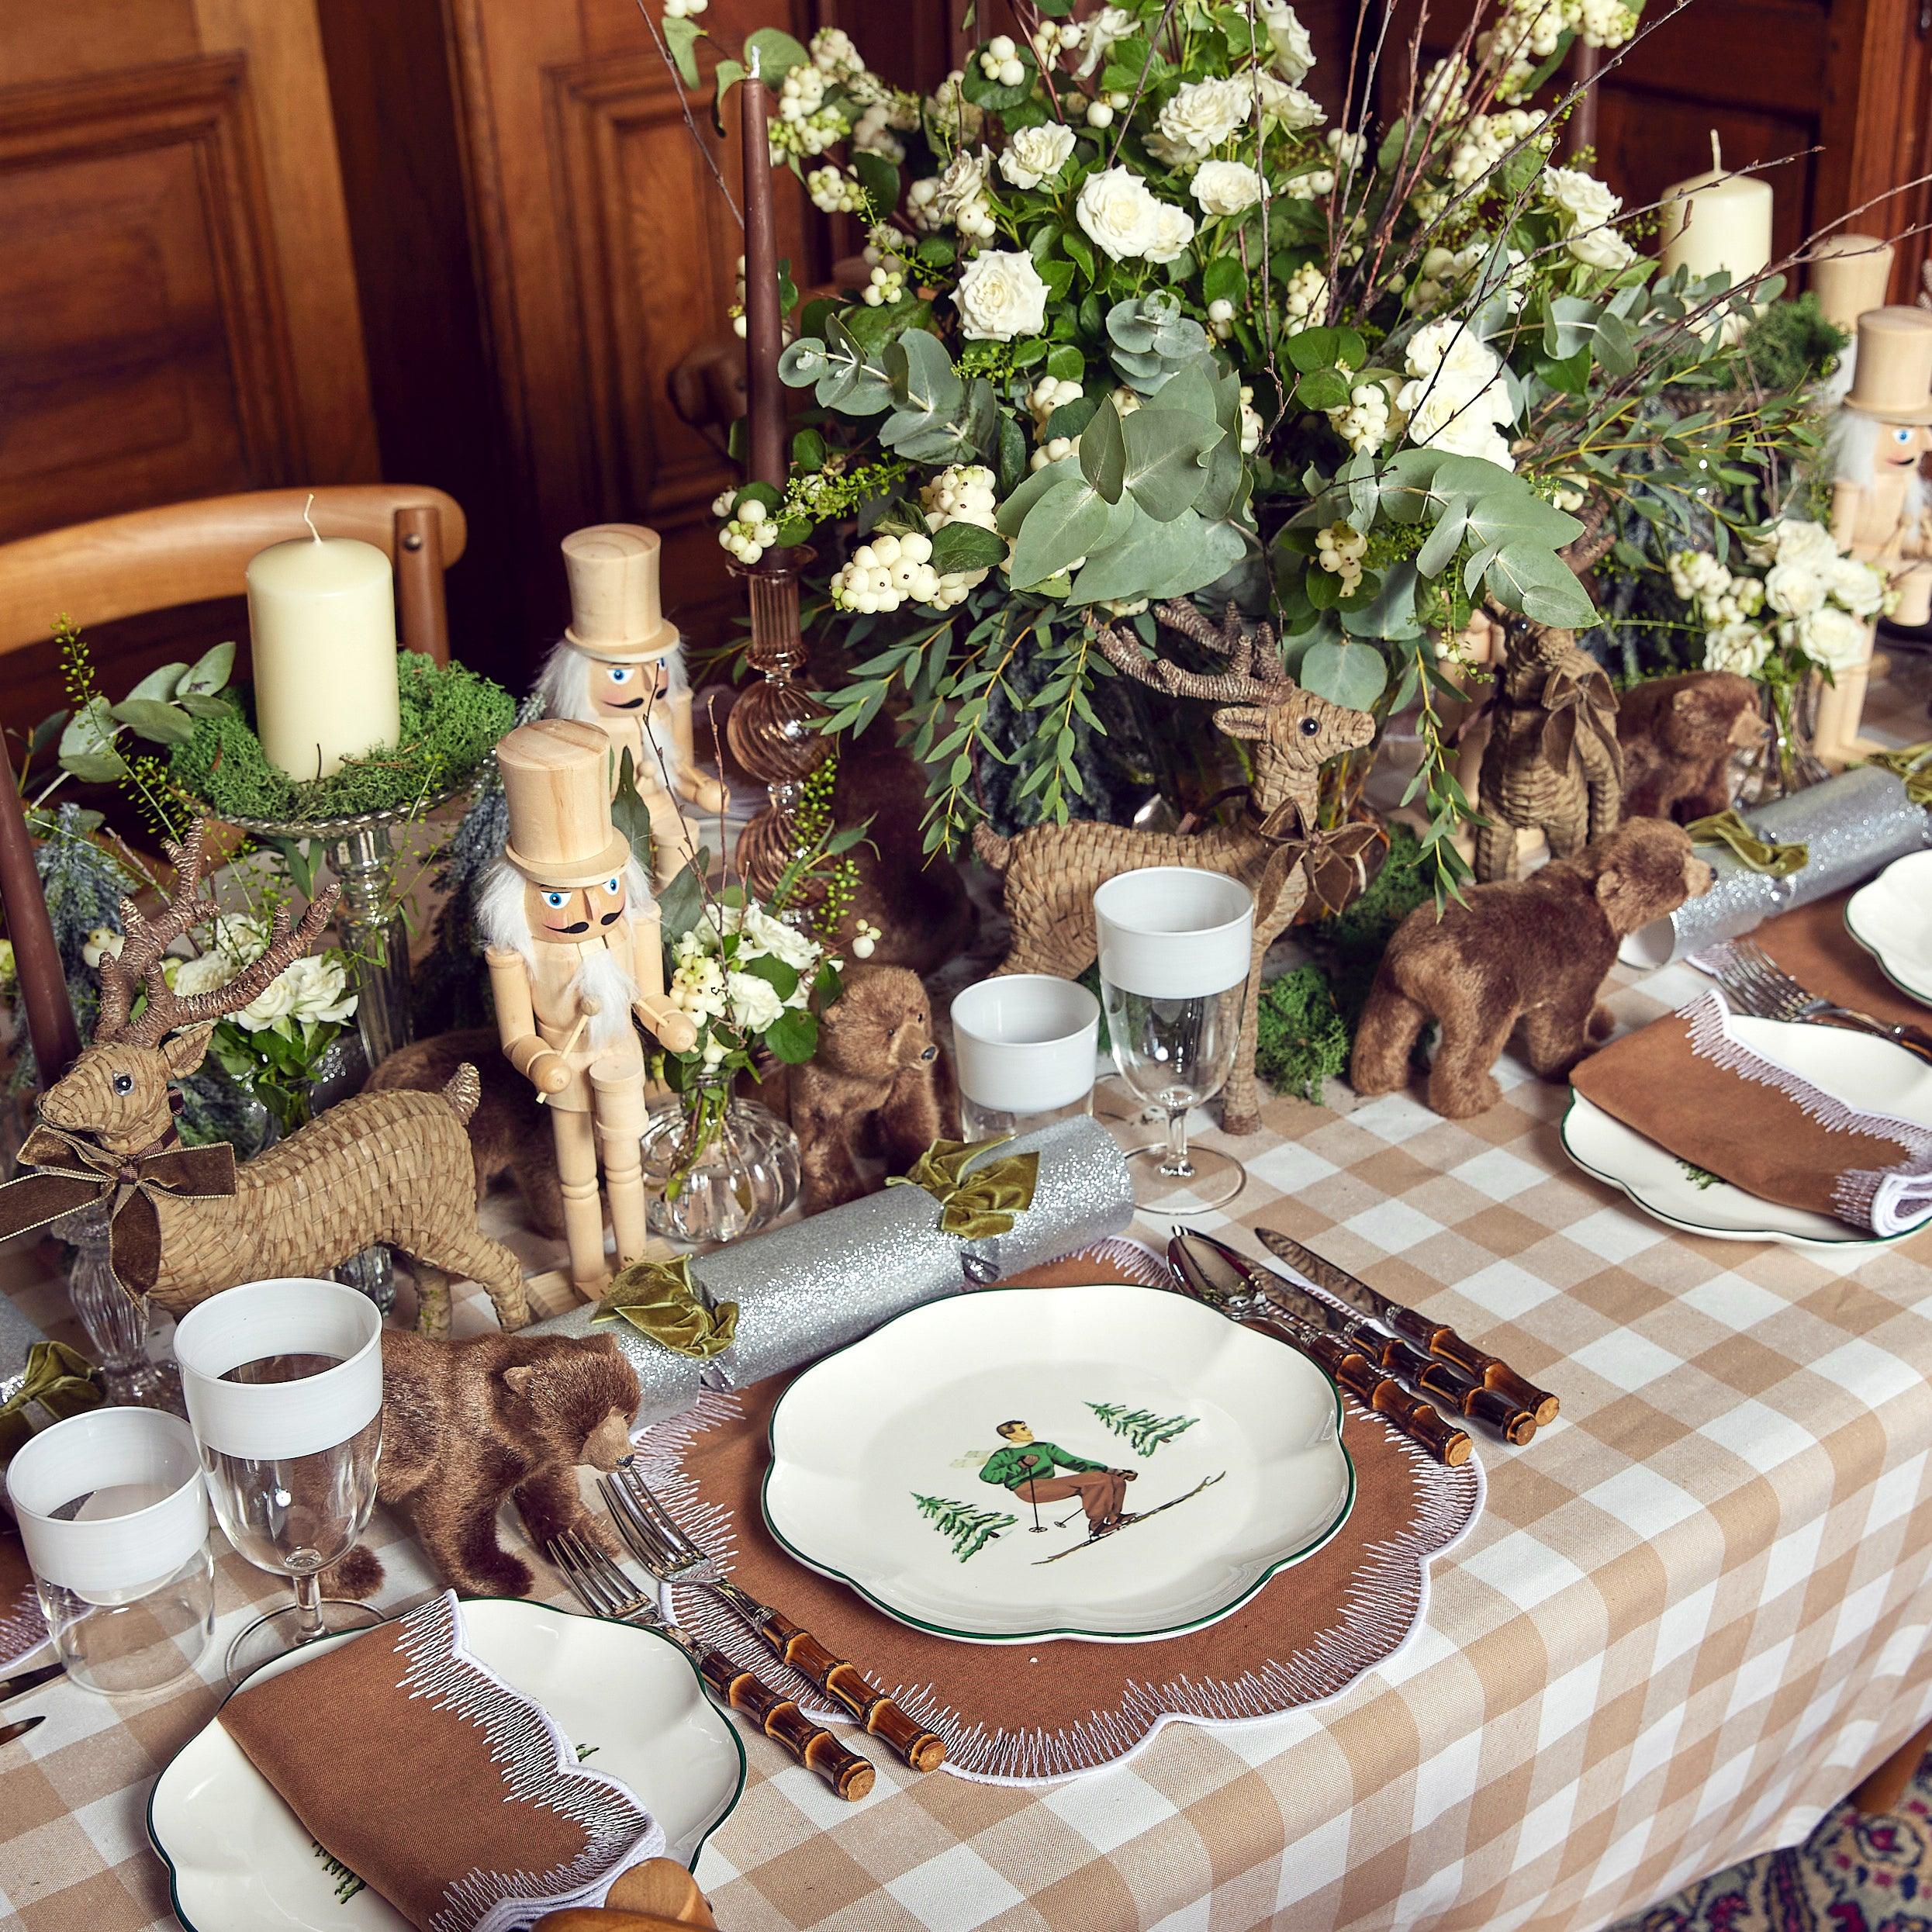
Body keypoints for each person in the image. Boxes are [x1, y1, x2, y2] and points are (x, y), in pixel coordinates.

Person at [978, 1419, 1135, 1536]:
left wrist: (1115, 1471)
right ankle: (1097, 1526)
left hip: (1048, 1483)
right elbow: (987, 1475)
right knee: (1099, 1480)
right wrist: (1020, 1465)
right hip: (1028, 1489)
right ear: (1010, 1435)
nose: (1029, 1430)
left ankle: (1114, 1517)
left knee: (1114, 1481)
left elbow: (1074, 1462)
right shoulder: (1004, 1455)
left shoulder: (1044, 1447)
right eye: (1024, 1429)